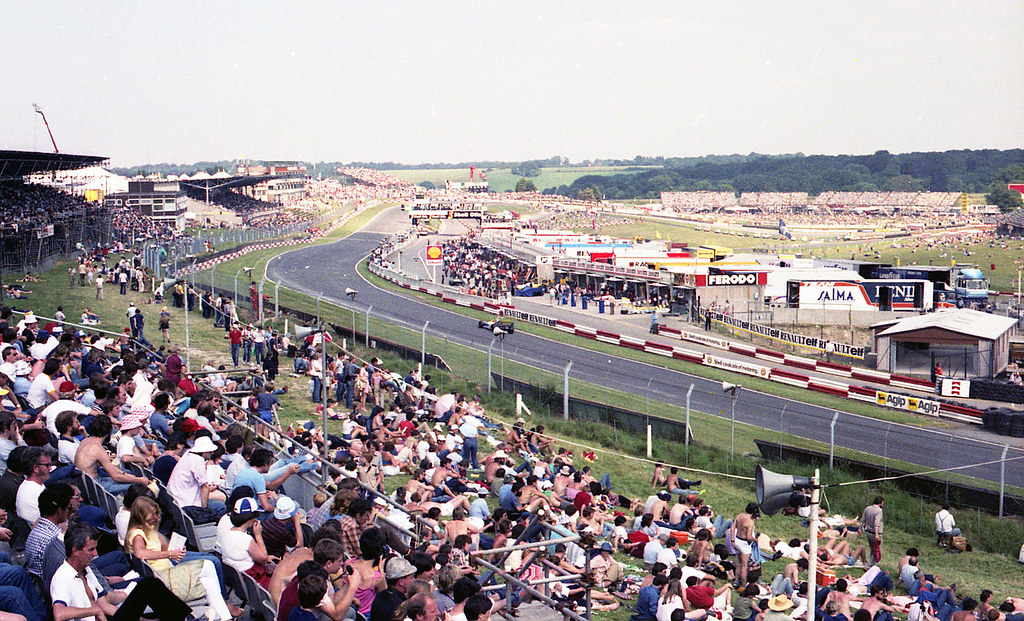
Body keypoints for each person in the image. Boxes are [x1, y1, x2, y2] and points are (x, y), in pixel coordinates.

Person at [125, 496, 239, 621]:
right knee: (208, 565)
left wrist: (175, 550)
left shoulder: (148, 528)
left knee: (208, 583)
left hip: (166, 570)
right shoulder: (137, 534)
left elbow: (163, 546)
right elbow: (140, 553)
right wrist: (169, 554)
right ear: (141, 517)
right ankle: (226, 609)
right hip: (163, 578)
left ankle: (225, 618)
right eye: (151, 516)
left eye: (156, 514)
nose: (156, 518)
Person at [52, 522, 192, 621]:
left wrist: (141, 620)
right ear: (75, 551)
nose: (95, 554)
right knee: (147, 586)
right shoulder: (62, 577)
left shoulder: (86, 570)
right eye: (91, 550)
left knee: (149, 585)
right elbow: (59, 614)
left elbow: (104, 605)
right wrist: (93, 611)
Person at [369, 555, 417, 621]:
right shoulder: (400, 605)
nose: (413, 580)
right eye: (411, 578)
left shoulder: (380, 596)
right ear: (401, 582)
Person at [861, 496, 884, 565]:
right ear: (880, 503)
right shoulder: (879, 511)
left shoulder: (867, 509)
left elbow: (862, 520)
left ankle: (873, 565)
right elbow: (876, 523)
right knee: (877, 550)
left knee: (872, 549)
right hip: (875, 533)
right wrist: (877, 534)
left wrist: (860, 529)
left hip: (868, 532)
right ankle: (869, 565)